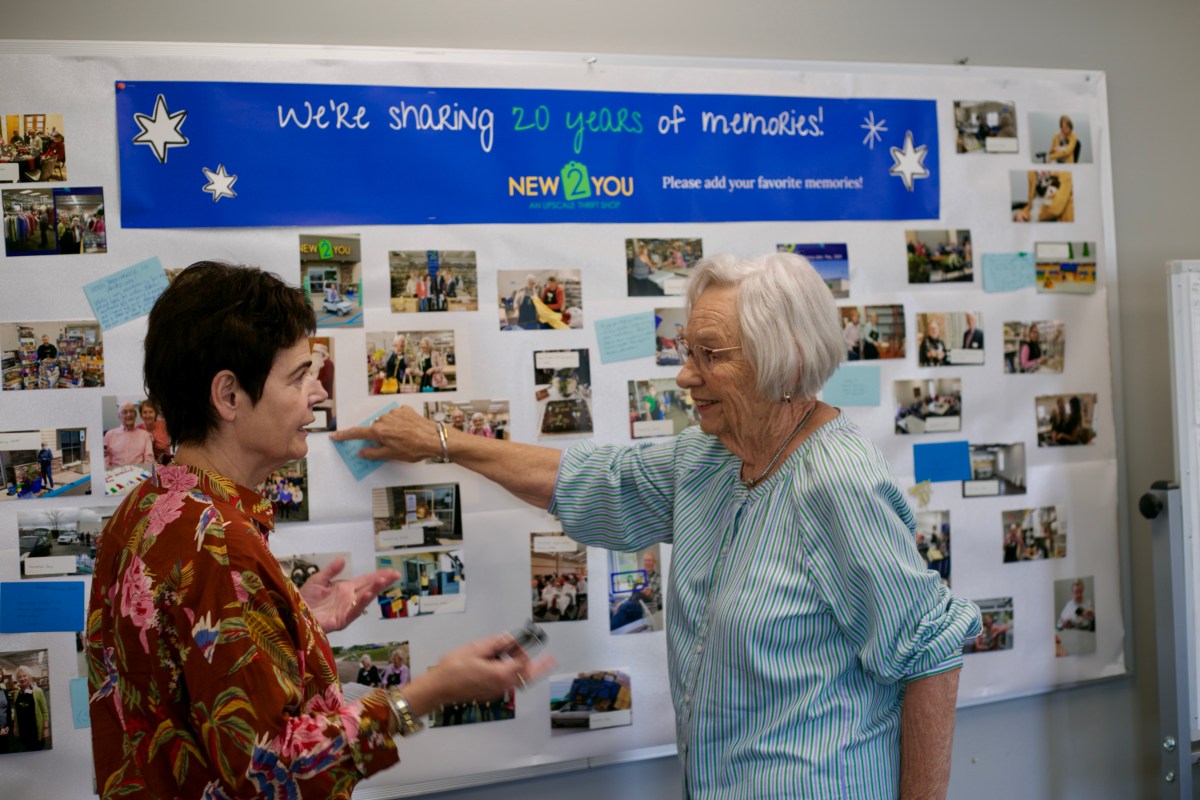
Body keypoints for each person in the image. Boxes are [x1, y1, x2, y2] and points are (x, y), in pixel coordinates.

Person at [335, 251, 980, 798]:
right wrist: (441, 441)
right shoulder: (712, 456)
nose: (686, 375)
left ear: (786, 359)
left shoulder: (838, 482)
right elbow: (588, 479)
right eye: (685, 350)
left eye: (710, 355)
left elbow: (928, 655)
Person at [87, 262, 551, 799]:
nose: (318, 395)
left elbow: (186, 681)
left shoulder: (148, 505)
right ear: (229, 396)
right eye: (298, 376)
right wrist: (422, 695)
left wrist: (294, 622)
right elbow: (271, 771)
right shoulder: (218, 544)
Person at [103, 402, 155, 467]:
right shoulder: (109, 435)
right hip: (115, 473)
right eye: (125, 412)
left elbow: (149, 459)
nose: (129, 414)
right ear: (119, 416)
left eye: (131, 411)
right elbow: (105, 458)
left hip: (139, 473)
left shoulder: (145, 435)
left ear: (135, 415)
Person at [12, 666, 48, 752]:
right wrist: (15, 727)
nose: (22, 678)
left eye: (24, 676)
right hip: (23, 730)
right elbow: (16, 712)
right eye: (19, 677)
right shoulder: (17, 693)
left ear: (29, 677)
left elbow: (44, 711)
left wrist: (45, 728)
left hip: (35, 730)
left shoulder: (38, 691)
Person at [137, 398, 172, 464]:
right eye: (145, 412)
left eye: (150, 412)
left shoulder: (164, 424)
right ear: (141, 415)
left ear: (155, 413)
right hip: (146, 464)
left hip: (165, 462)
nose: (148, 415)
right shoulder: (138, 429)